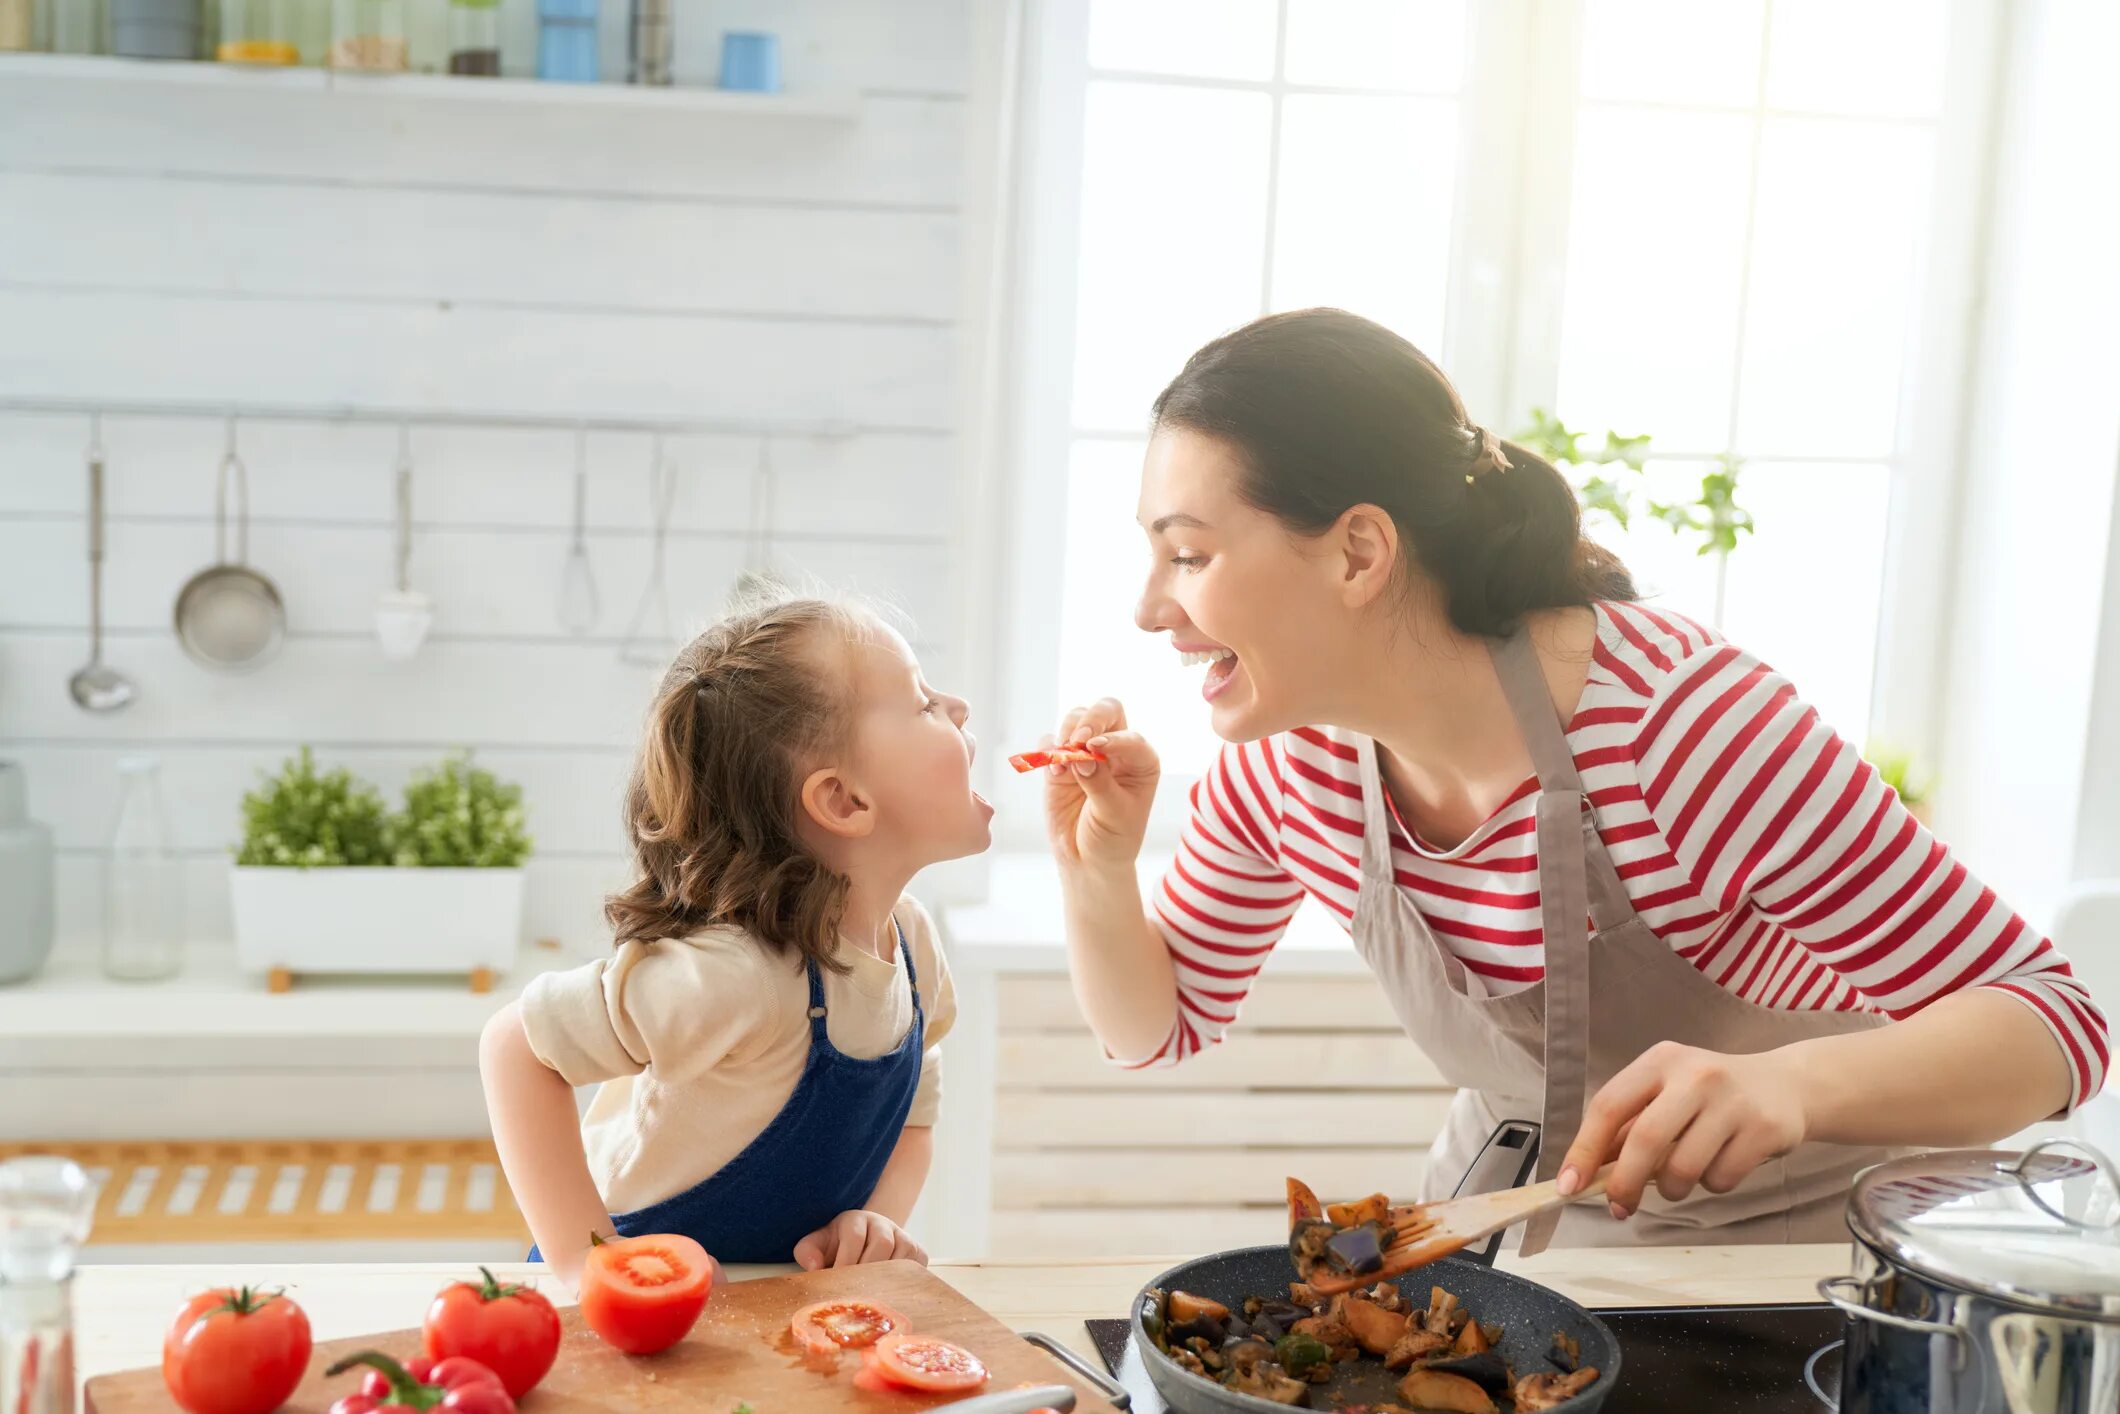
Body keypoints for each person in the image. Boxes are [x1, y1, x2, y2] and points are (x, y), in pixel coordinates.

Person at [1043, 308, 2108, 1249]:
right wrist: (1097, 869)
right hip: (1511, 1228)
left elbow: (2057, 1025)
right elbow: (1156, 1026)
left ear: (1358, 553)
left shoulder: (1681, 731)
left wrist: (1789, 1085)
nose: (1149, 607)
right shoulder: (1289, 769)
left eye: (1186, 555)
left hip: (1790, 1251)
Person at [480, 593, 992, 1284]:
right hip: (625, 1309)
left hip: (771, 1304)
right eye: (924, 703)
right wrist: (586, 1264)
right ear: (845, 801)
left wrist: (878, 1220)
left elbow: (913, 1110)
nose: (957, 706)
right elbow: (516, 1046)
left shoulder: (911, 944)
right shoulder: (740, 975)